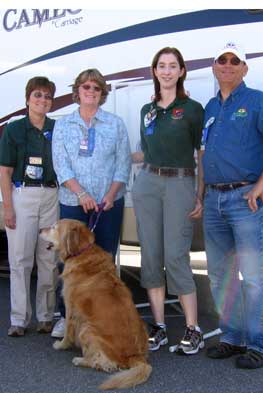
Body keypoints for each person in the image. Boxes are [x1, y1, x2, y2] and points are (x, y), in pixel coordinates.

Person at [199, 42, 263, 368]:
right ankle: (231, 338)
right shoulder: (211, 107)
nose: (227, 65)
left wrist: (261, 184)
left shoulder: (257, 101)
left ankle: (259, 345)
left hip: (246, 202)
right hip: (214, 201)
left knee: (253, 276)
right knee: (219, 276)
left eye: (234, 60)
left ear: (244, 68)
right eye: (222, 60)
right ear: (214, 67)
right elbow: (204, 154)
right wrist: (200, 195)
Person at [132, 47, 204, 355]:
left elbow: (203, 154)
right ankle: (159, 326)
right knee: (150, 256)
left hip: (180, 183)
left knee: (175, 256)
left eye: (172, 66)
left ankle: (192, 328)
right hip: (147, 183)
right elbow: (147, 150)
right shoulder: (147, 110)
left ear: (182, 71)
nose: (166, 71)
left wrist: (200, 194)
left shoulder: (192, 109)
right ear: (154, 71)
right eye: (161, 65)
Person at [51, 68, 131, 338]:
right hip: (73, 203)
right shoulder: (63, 124)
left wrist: (110, 195)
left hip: (108, 205)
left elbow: (123, 164)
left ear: (102, 93)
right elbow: (61, 166)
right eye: (86, 87)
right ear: (78, 91)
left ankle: (101, 319)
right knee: (70, 262)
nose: (91, 92)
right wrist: (81, 194)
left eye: (96, 88)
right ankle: (66, 318)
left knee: (104, 263)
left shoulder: (115, 124)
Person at [0, 76, 59, 336]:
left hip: (51, 195)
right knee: (20, 259)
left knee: (48, 259)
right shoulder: (14, 129)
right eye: (37, 95)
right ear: (27, 99)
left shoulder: (58, 128)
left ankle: (46, 317)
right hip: (22, 195)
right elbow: (4, 171)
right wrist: (8, 207)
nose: (42, 100)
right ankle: (19, 319)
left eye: (47, 96)